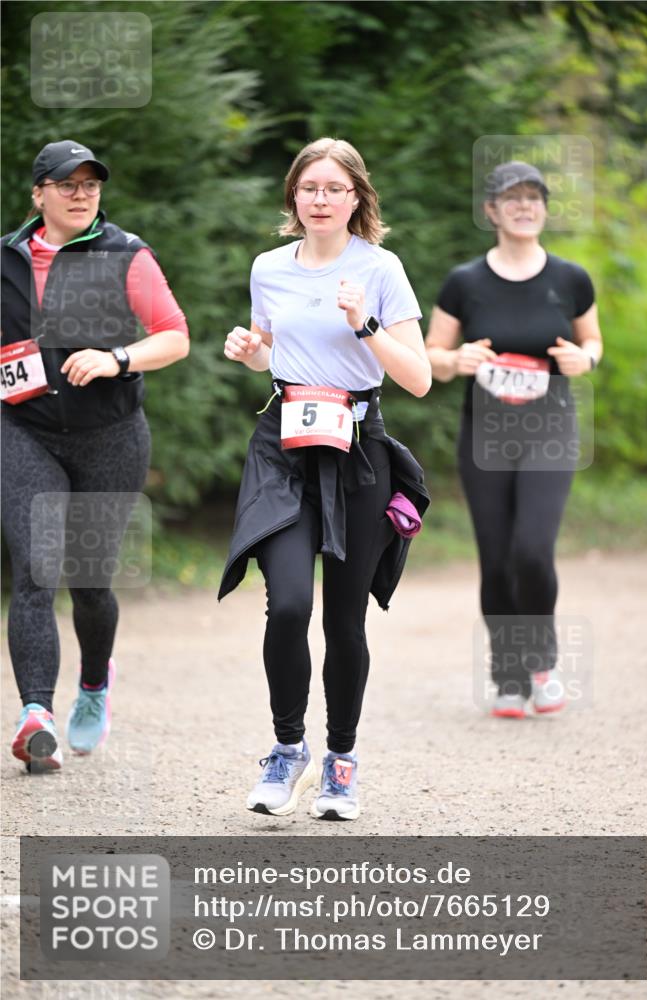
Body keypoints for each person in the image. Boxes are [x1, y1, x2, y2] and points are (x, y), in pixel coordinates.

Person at [219, 137, 430, 819]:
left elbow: (419, 380)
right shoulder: (268, 268)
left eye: (334, 189)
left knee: (344, 619)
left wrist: (363, 324)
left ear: (356, 198)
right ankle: (287, 751)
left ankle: (340, 763)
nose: (319, 200)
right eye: (308, 187)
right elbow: (270, 349)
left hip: (357, 451)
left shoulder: (381, 268)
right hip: (283, 448)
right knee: (286, 605)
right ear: (292, 196)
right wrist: (254, 352)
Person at [2, 139, 189, 772]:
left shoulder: (124, 254)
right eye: (66, 184)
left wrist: (118, 358)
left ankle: (92, 684)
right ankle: (35, 714)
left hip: (110, 434)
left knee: (89, 581)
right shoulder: (5, 259)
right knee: (35, 566)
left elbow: (175, 336)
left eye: (91, 184)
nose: (81, 194)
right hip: (23, 431)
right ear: (39, 194)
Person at [425, 160, 603, 719]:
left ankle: (542, 664)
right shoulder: (465, 282)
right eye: (512, 197)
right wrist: (457, 359)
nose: (525, 206)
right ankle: (507, 674)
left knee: (532, 550)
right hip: (486, 435)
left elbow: (593, 341)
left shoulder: (570, 279)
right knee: (497, 558)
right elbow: (430, 356)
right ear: (491, 210)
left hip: (550, 430)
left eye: (534, 197)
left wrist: (584, 358)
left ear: (544, 208)